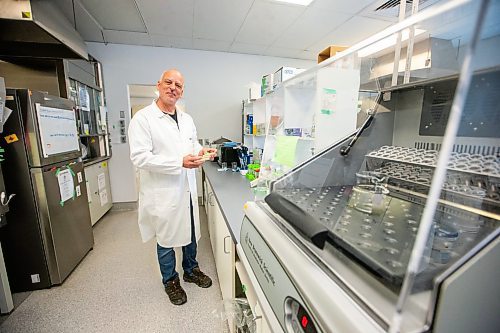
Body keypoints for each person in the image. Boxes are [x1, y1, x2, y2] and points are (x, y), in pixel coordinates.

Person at [128, 69, 217, 305]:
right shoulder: (143, 118)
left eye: (178, 85)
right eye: (169, 82)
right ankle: (170, 280)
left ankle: (191, 270)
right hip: (162, 192)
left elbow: (192, 144)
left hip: (186, 187)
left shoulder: (186, 119)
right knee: (166, 238)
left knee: (190, 231)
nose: (173, 88)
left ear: (182, 91)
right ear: (158, 85)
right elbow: (139, 157)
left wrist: (201, 151)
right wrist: (178, 162)